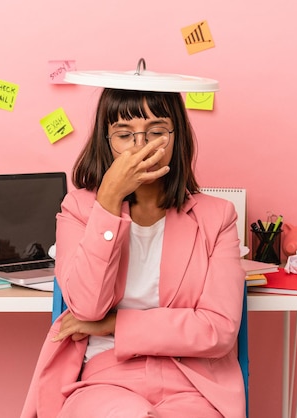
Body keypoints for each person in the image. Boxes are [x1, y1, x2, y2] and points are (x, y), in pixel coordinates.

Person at [21, 87, 246, 418]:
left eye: (156, 132)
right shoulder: (79, 210)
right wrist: (108, 202)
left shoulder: (218, 216)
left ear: (176, 135)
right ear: (106, 140)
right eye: (124, 134)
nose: (141, 146)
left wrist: (116, 325)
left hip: (193, 383)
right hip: (105, 380)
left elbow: (218, 330)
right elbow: (86, 307)